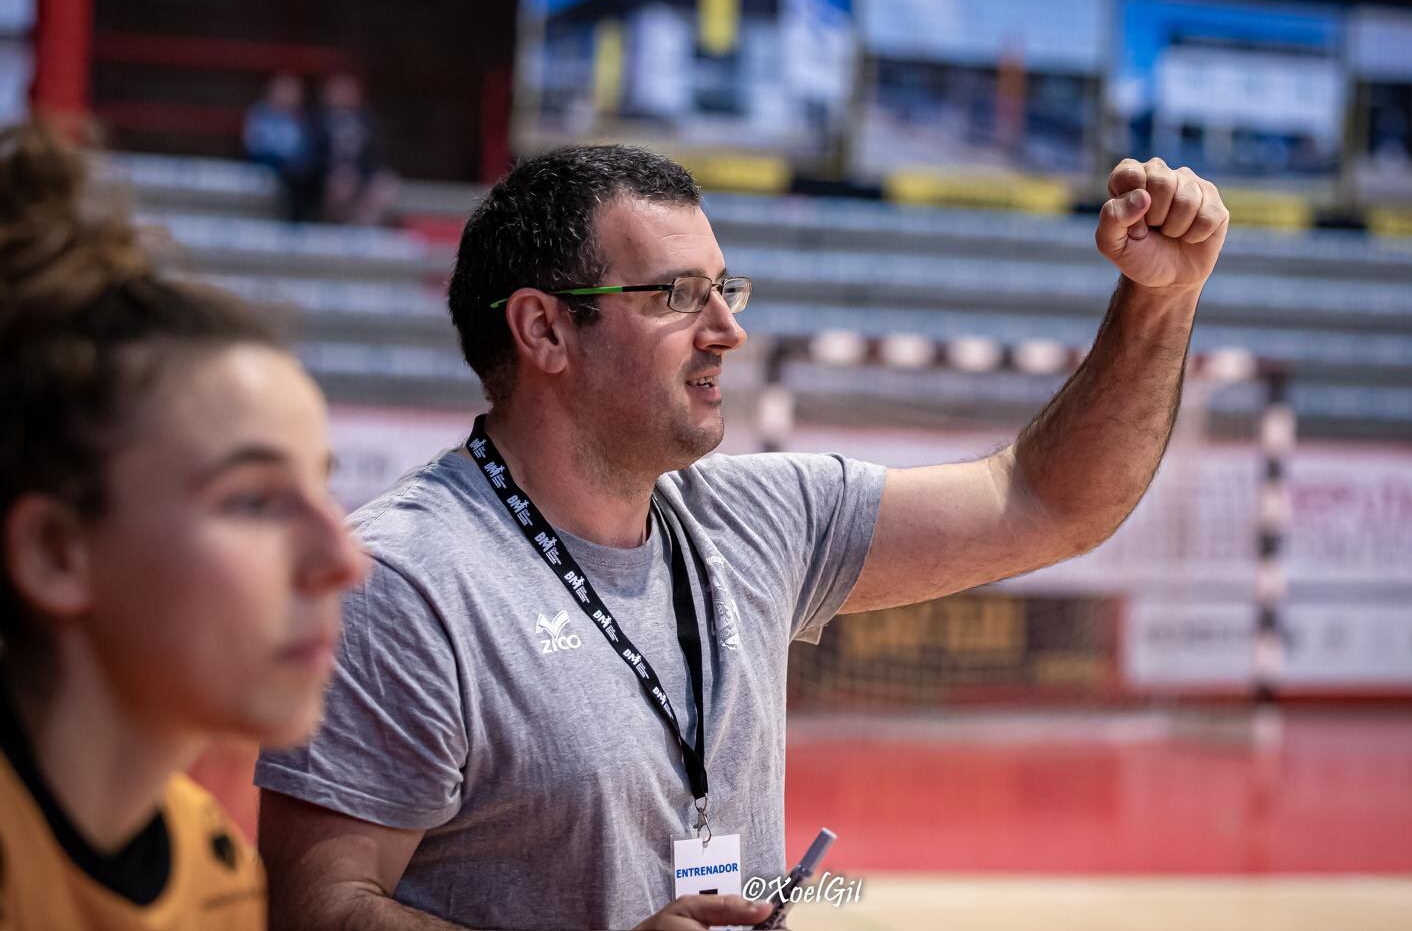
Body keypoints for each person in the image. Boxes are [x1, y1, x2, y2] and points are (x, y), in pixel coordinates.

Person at [255, 144, 1228, 930]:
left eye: (727, 289)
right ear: (544, 332)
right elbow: (317, 909)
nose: (728, 330)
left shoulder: (756, 520)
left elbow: (1045, 502)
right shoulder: (404, 580)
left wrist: (1158, 301)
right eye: (677, 296)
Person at [0, 120, 368, 929]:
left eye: (321, 488)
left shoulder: (216, 865)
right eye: (253, 501)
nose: (344, 559)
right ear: (57, 553)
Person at [316, 73, 397, 227]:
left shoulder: (367, 119)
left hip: (362, 172)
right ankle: (337, 226)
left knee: (385, 186)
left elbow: (376, 153)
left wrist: (366, 173)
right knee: (342, 183)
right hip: (327, 175)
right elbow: (314, 154)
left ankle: (362, 228)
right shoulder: (319, 120)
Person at [243, 72, 322, 222]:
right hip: (269, 163)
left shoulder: (304, 119)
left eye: (291, 91)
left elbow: (307, 148)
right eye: (283, 90)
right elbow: (256, 146)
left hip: (297, 168)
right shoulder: (260, 114)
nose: (287, 95)